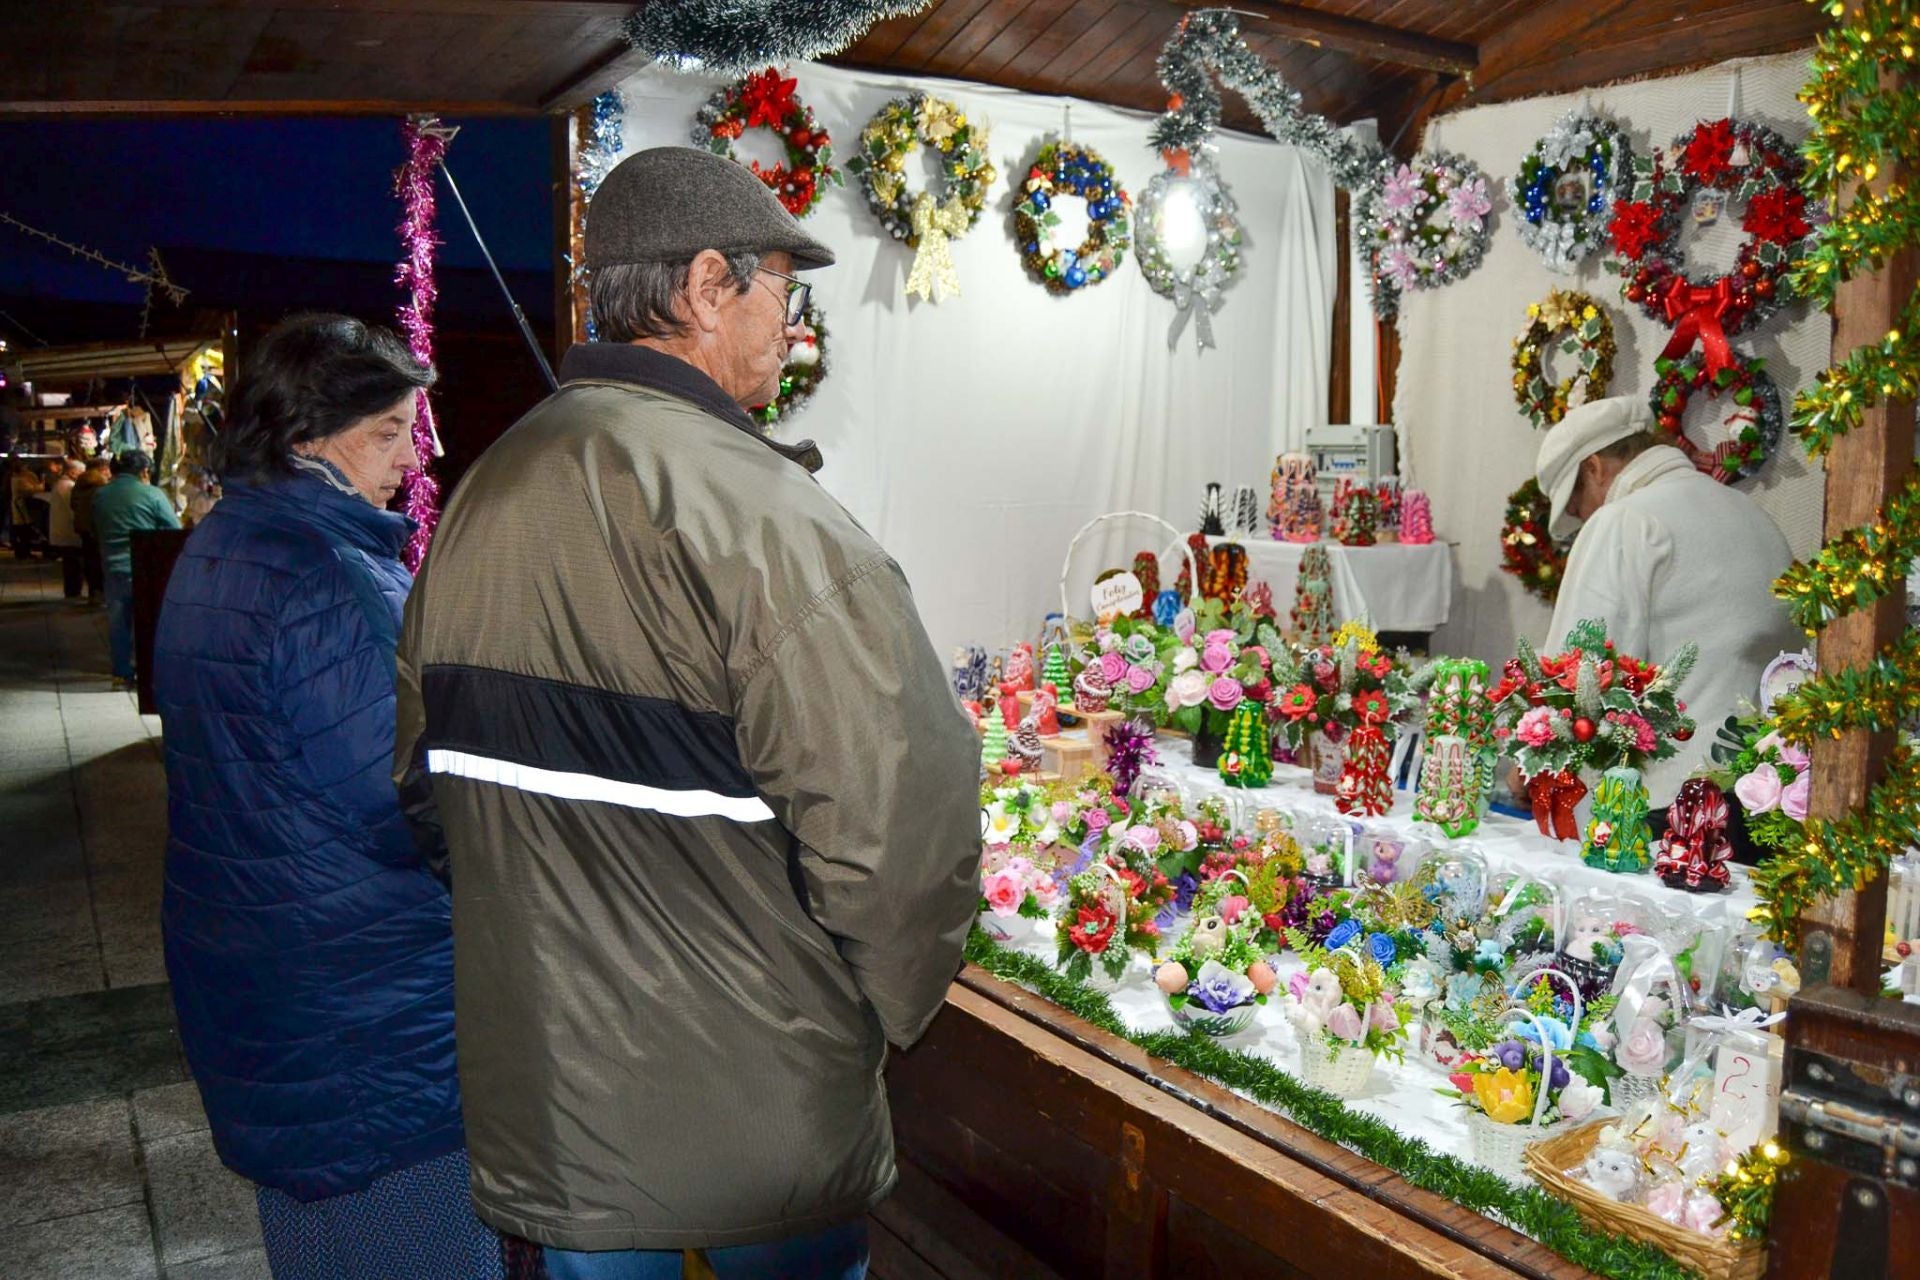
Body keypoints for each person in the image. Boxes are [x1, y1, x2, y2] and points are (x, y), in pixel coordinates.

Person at [394, 147, 980, 1280]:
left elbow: (427, 794)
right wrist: (852, 1017)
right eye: (782, 290)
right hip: (755, 1132)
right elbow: (905, 832)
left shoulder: (479, 496)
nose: (791, 325)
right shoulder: (773, 521)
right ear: (710, 286)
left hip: (558, 1116)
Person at [154, 314, 503, 1280]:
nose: (416, 452)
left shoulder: (222, 543)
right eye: (388, 430)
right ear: (307, 437)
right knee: (412, 1243)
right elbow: (407, 805)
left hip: (270, 980)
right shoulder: (328, 574)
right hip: (366, 1008)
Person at [1533, 395, 1801, 814]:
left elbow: (1579, 675)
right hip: (1769, 795)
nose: (1584, 516)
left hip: (1670, 803)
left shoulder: (1624, 519)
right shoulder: (1751, 512)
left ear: (1594, 467)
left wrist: (1536, 760)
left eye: (1575, 504)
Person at [90, 449, 180, 688]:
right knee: (150, 620)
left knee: (118, 622)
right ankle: (150, 672)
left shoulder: (100, 495)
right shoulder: (152, 494)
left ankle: (121, 672)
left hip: (112, 567)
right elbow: (174, 529)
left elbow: (93, 526)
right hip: (146, 569)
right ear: (143, 471)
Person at [70, 454, 112, 603]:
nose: (109, 473)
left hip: (83, 527)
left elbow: (73, 505)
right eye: (107, 470)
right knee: (98, 561)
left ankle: (93, 592)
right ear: (101, 470)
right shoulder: (100, 486)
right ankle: (99, 592)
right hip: (97, 528)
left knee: (89, 560)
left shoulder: (79, 484)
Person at [46, 457, 85, 598]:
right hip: (68, 532)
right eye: (82, 472)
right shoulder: (68, 486)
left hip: (64, 532)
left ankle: (72, 591)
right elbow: (73, 509)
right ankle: (73, 592)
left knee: (71, 564)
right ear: (74, 472)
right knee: (73, 565)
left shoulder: (62, 484)